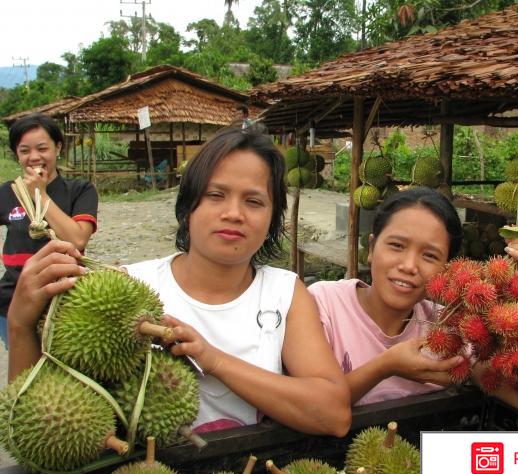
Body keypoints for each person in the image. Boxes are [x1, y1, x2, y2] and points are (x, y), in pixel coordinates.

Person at [7, 126, 351, 437]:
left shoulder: (284, 292)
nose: (233, 213)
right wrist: (20, 324)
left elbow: (333, 415)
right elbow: (35, 423)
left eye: (254, 201)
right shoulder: (130, 287)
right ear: (188, 207)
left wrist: (213, 360)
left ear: (273, 219)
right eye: (216, 195)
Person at [309, 187, 518, 416]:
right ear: (372, 247)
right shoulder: (323, 303)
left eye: (429, 255)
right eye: (396, 245)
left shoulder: (453, 327)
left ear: (447, 268)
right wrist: (386, 366)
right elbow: (311, 408)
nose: (408, 266)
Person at [0, 113, 98, 348]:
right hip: (13, 301)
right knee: (25, 374)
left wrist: (40, 194)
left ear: (58, 147)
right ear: (17, 155)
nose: (34, 157)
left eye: (42, 148)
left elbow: (77, 239)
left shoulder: (80, 190)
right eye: (24, 151)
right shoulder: (7, 192)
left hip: (65, 301)